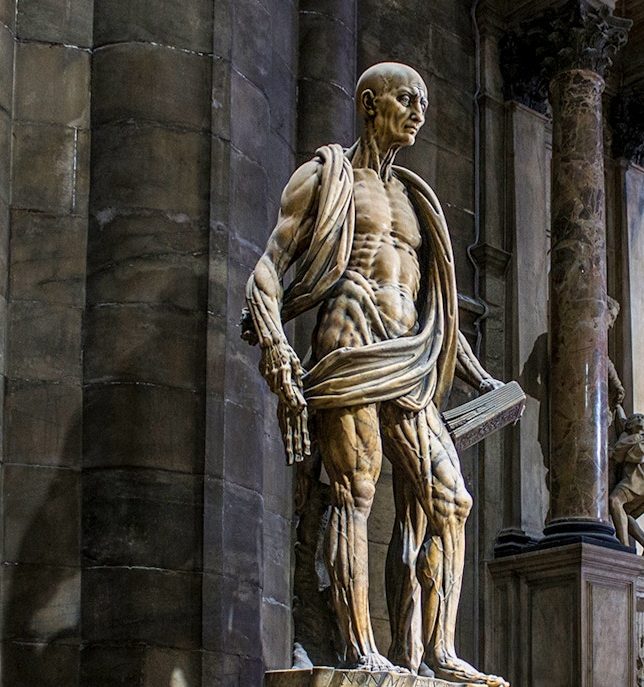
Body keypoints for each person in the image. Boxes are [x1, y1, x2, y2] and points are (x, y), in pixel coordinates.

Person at [243, 62, 507, 686]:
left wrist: (479, 379)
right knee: (354, 493)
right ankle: (360, 651)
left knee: (452, 501)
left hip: (410, 354)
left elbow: (433, 308)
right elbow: (267, 271)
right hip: (351, 330)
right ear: (368, 104)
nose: (418, 111)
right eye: (404, 99)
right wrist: (279, 348)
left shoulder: (416, 199)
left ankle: (438, 652)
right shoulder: (325, 178)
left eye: (422, 100)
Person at [610, 413, 644, 555]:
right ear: (628, 426)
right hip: (637, 482)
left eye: (643, 418)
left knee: (614, 501)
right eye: (635, 418)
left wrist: (629, 443)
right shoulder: (627, 438)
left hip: (640, 481)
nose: (640, 419)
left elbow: (639, 453)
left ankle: (624, 547)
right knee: (624, 514)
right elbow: (618, 454)